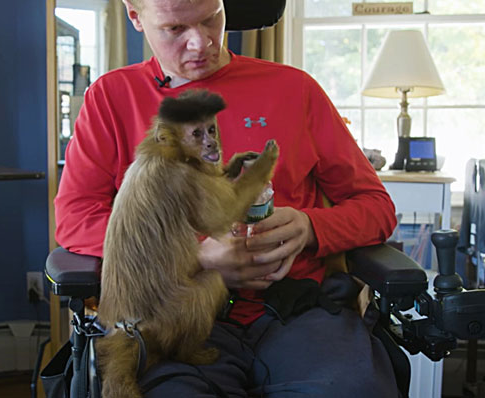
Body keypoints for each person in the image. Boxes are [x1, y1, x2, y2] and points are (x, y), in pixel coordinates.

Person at [55, 0, 400, 396]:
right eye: (175, 29)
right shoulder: (111, 97)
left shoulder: (295, 88)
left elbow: (375, 207)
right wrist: (194, 254)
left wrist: (309, 227)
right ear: (135, 17)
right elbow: (75, 218)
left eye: (211, 18)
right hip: (175, 317)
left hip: (297, 313)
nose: (200, 43)